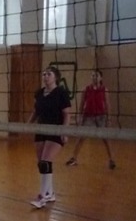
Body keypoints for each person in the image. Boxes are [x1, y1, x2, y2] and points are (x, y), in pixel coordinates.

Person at [27, 66, 72, 209]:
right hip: (41, 130)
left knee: (45, 162)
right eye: (44, 74)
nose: (45, 76)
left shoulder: (61, 93)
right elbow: (36, 111)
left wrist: (64, 132)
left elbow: (67, 114)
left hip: (56, 130)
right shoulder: (39, 93)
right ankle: (50, 193)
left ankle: (42, 196)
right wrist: (27, 125)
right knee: (42, 163)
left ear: (56, 77)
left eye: (49, 74)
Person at [65, 69, 116, 169]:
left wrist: (109, 118)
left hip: (101, 116)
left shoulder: (104, 89)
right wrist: (80, 116)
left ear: (100, 78)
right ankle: (74, 158)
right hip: (88, 116)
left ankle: (111, 160)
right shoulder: (86, 89)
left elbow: (107, 104)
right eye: (92, 75)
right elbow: (82, 104)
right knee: (81, 137)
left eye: (96, 75)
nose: (94, 77)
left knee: (106, 139)